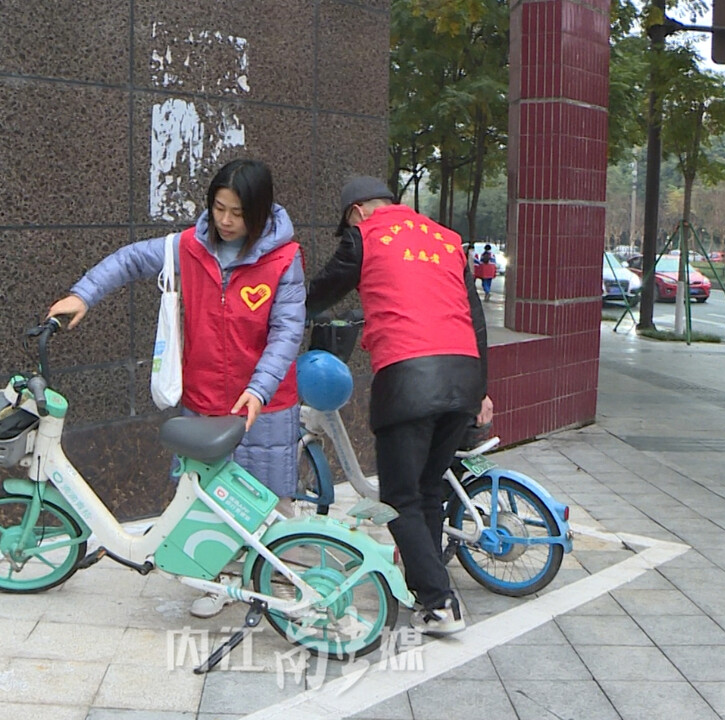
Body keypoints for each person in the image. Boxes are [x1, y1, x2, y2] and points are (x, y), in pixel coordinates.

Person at [47, 159, 305, 618]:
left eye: (238, 212)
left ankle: (282, 574)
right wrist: (82, 294)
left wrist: (260, 388)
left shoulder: (284, 259)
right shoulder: (187, 247)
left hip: (263, 403)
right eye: (219, 208)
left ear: (261, 211)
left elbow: (287, 330)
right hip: (204, 398)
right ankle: (218, 580)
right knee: (205, 496)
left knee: (269, 496)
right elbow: (128, 260)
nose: (226, 221)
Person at [306, 176, 494, 636]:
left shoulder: (365, 235)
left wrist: (280, 317)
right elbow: (475, 319)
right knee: (427, 490)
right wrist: (482, 391)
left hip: (409, 378)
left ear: (356, 212)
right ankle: (424, 592)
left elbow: (319, 294)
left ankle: (440, 602)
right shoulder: (447, 239)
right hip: (463, 377)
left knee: (398, 497)